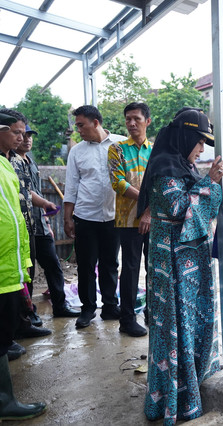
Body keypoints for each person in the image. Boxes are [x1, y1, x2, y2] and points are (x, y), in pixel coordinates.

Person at [137, 108, 223, 424]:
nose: (202, 150)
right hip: (172, 263)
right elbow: (178, 210)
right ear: (186, 137)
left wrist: (210, 183)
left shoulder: (180, 165)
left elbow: (192, 201)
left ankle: (184, 388)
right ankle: (174, 401)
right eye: (200, 142)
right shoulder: (165, 168)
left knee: (185, 322)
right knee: (174, 324)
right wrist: (211, 182)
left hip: (183, 261)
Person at [0, 114, 47, 421]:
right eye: (14, 132)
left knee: (3, 334)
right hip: (2, 267)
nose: (20, 137)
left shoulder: (6, 164)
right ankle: (4, 403)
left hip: (9, 266)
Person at [63, 105, 126, 329]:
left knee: (110, 264)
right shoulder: (77, 152)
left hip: (113, 216)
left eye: (81, 125)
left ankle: (110, 306)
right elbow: (71, 187)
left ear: (96, 122)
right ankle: (87, 309)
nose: (78, 130)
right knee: (86, 265)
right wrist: (67, 218)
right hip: (86, 216)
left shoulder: (121, 144)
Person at [15, 125, 80, 318]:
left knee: (53, 266)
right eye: (22, 135)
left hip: (41, 225)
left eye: (29, 136)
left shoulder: (31, 162)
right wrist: (45, 204)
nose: (26, 139)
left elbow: (37, 193)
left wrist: (48, 224)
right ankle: (29, 315)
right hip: (25, 227)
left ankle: (60, 306)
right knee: (29, 273)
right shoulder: (11, 162)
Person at [0, 109, 53, 339]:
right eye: (16, 132)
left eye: (23, 132)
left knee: (24, 276)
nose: (21, 137)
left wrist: (43, 204)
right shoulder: (6, 161)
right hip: (7, 235)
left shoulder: (15, 160)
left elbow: (26, 192)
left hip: (23, 228)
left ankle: (23, 321)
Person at [107, 102, 152, 337]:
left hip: (154, 219)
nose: (131, 123)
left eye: (136, 118)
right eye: (128, 119)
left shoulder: (155, 151)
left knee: (155, 267)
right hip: (128, 221)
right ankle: (127, 319)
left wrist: (149, 211)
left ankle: (153, 313)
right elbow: (119, 183)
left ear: (147, 121)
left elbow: (162, 186)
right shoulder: (117, 149)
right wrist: (147, 204)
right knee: (131, 269)